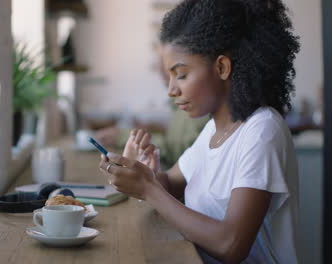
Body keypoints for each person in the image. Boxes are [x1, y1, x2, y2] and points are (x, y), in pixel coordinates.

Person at [99, 0, 300, 263]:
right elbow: (170, 184)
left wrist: (149, 189)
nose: (171, 90)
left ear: (222, 68)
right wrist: (140, 172)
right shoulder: (214, 130)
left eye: (181, 75)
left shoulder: (262, 131)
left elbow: (231, 245)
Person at [95, 44, 209, 169]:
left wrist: (125, 137)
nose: (160, 69)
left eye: (165, 64)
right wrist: (154, 129)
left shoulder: (199, 103)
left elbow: (179, 151)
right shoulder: (178, 101)